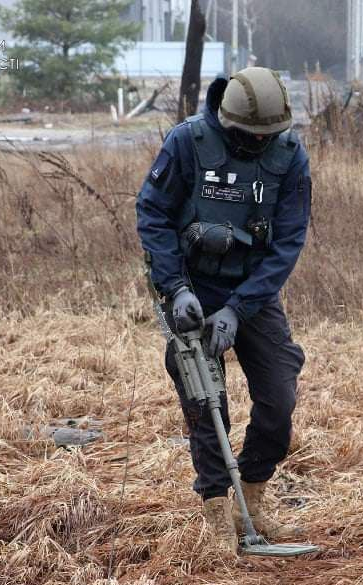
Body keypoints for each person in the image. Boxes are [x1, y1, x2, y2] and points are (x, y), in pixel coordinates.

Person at [136, 67, 312, 554]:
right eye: (249, 136)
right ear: (227, 121)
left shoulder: (290, 157)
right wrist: (175, 288)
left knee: (279, 400)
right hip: (192, 288)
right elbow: (153, 213)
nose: (258, 144)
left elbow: (289, 241)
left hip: (253, 294)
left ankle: (250, 499)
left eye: (267, 136)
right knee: (205, 400)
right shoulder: (187, 143)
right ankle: (216, 507)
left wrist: (239, 309)